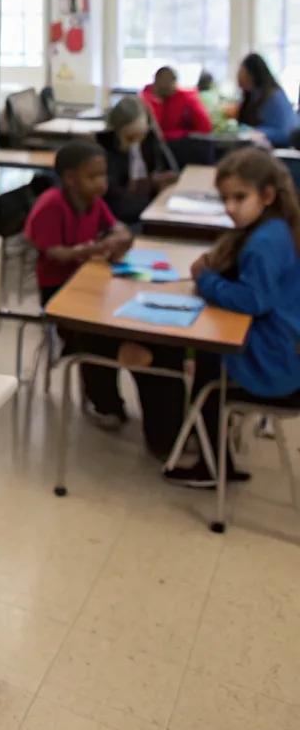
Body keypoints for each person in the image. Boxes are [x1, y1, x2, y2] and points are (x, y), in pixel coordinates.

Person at [25, 141, 182, 451]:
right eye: (93, 176)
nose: (102, 183)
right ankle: (105, 402)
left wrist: (120, 237)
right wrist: (94, 249)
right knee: (98, 335)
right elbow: (54, 253)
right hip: (59, 292)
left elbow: (116, 228)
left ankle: (147, 418)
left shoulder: (93, 201)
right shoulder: (51, 204)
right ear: (70, 178)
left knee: (134, 328)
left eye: (103, 175)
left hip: (91, 284)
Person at [166, 147, 300, 487]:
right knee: (207, 355)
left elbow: (253, 300)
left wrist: (207, 279)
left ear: (267, 195)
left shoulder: (265, 241)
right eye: (224, 198)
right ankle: (213, 456)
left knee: (207, 369)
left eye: (239, 198)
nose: (229, 208)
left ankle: (211, 467)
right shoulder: (275, 228)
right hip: (282, 348)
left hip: (276, 363)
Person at [97, 96, 178, 225]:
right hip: (121, 217)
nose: (137, 141)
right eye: (130, 137)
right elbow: (116, 197)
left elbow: (172, 171)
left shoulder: (150, 139)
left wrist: (161, 181)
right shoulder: (105, 149)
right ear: (116, 131)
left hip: (151, 209)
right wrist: (151, 183)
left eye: (142, 134)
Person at [224, 52, 299, 147]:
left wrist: (258, 132)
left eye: (242, 72)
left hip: (277, 151)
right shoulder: (252, 95)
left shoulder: (274, 96)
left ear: (252, 75)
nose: (239, 77)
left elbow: (287, 132)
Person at [141, 66, 213, 140]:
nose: (173, 86)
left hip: (178, 142)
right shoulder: (145, 99)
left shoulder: (185, 97)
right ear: (158, 80)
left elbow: (205, 127)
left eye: (174, 81)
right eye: (168, 81)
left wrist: (183, 133)